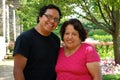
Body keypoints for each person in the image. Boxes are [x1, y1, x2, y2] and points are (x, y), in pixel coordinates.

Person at [13, 4, 62, 80]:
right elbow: (18, 70)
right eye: (49, 16)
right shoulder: (25, 38)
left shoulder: (56, 40)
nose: (52, 21)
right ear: (40, 17)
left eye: (56, 19)